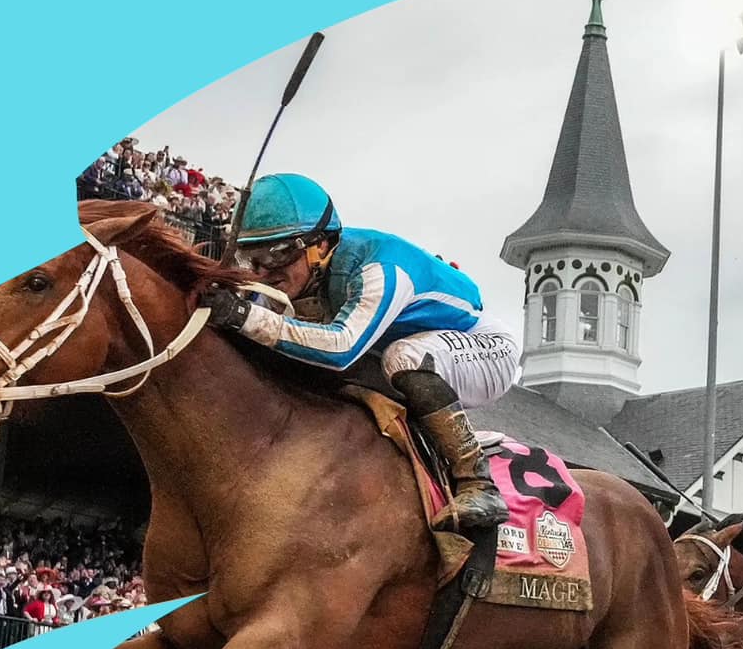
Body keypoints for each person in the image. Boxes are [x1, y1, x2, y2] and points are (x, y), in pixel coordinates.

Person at [204, 173, 517, 530]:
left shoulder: (379, 269)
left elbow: (341, 348)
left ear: (320, 246)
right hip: (408, 345)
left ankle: (478, 482)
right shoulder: (302, 274)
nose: (263, 272)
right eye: (251, 258)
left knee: (403, 357)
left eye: (277, 254)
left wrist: (244, 315)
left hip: (485, 347)